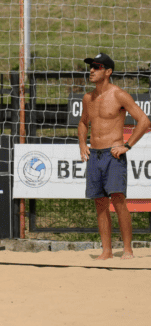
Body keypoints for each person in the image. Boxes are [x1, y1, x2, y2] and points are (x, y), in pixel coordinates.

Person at [78, 53, 150, 260]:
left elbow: (144, 121)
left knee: (118, 201)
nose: (92, 70)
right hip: (95, 154)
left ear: (108, 72)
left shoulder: (119, 95)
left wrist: (127, 145)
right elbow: (83, 122)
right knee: (100, 203)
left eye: (97, 67)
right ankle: (107, 250)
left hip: (113, 153)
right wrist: (82, 144)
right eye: (91, 67)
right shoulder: (88, 98)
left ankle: (127, 249)